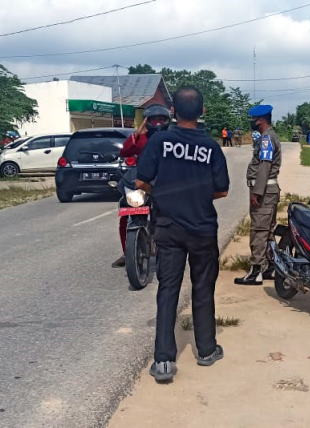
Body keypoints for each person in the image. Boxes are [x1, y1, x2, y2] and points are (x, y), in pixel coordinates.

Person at [136, 86, 230, 382]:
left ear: (173, 112)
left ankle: (163, 361)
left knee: (168, 291)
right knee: (203, 288)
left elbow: (140, 181)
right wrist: (198, 194)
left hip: (168, 228)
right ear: (202, 112)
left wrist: (162, 192)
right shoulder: (211, 147)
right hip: (202, 229)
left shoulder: (160, 141)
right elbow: (223, 189)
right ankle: (206, 350)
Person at [112, 103, 172, 268]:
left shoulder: (173, 137)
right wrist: (136, 135)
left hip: (165, 182)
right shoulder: (141, 138)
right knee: (126, 212)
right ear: (147, 121)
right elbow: (125, 152)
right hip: (143, 182)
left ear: (167, 121)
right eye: (154, 120)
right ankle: (127, 252)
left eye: (161, 119)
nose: (158, 123)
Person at [234, 105, 282, 286]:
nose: (251, 123)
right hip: (269, 191)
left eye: (253, 120)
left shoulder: (266, 138)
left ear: (260, 120)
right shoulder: (269, 136)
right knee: (267, 231)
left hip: (264, 192)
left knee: (259, 231)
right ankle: (269, 266)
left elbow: (264, 166)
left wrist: (257, 192)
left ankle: (256, 272)